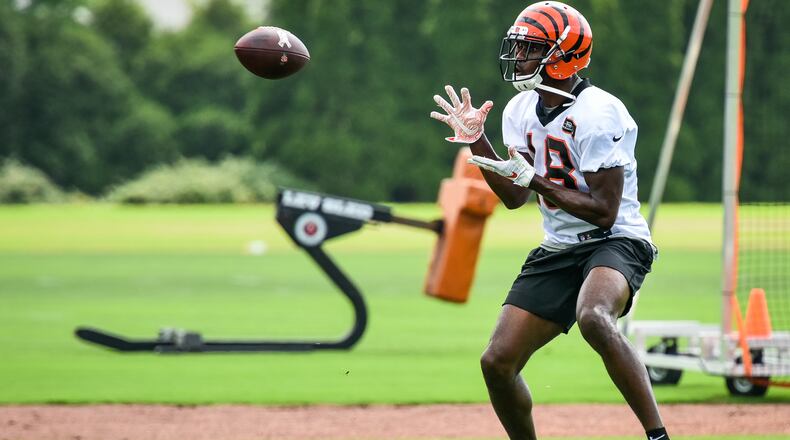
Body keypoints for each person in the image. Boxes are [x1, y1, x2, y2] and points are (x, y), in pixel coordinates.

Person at [429, 2, 669, 440]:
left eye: (530, 49)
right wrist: (477, 143)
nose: (518, 57)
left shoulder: (600, 112)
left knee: (595, 317)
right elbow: (514, 197)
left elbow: (604, 210)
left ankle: (657, 435)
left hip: (614, 240)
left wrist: (534, 178)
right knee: (497, 363)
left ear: (563, 55)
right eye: (519, 47)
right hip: (559, 246)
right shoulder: (518, 111)